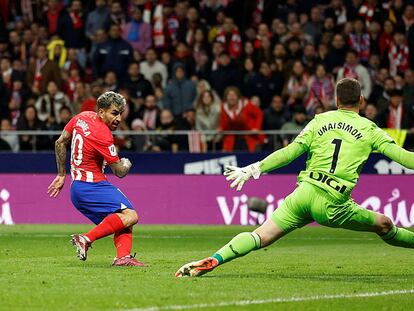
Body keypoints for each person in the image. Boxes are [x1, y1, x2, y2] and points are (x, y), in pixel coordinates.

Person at [176, 78, 414, 278]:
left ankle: (215, 259)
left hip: (303, 195)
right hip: (333, 203)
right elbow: (405, 159)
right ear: (362, 100)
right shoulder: (370, 129)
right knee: (384, 224)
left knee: (260, 235)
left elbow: (289, 152)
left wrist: (252, 169)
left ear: (336, 101)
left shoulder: (320, 120)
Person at [47, 91, 144, 267]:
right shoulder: (103, 134)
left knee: (122, 219)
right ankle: (85, 239)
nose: (119, 118)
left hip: (77, 188)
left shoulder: (81, 117)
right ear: (101, 112)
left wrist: (62, 175)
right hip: (92, 185)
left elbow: (59, 142)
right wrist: (126, 163)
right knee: (131, 215)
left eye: (121, 113)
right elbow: (119, 172)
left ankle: (123, 257)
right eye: (114, 113)